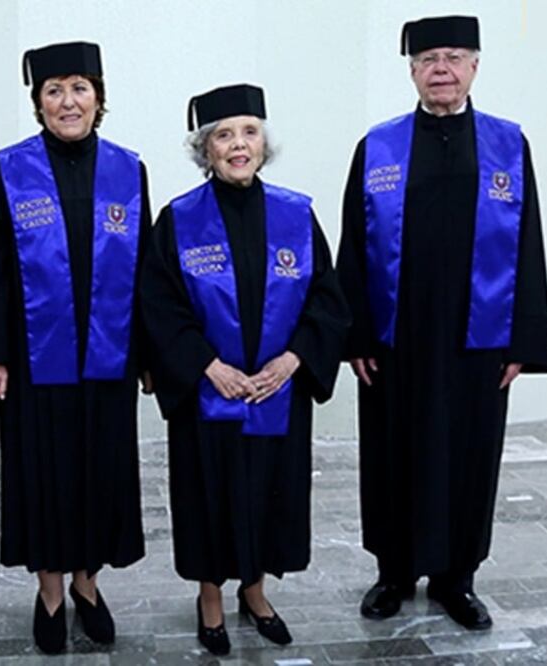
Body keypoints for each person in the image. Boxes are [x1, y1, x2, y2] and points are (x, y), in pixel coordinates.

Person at [336, 15, 547, 630]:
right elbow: (354, 246)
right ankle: (394, 572)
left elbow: (528, 244)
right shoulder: (378, 148)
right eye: (429, 59)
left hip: (476, 337)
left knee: (469, 454)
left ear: (474, 67)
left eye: (454, 57)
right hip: (396, 338)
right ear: (412, 71)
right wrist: (355, 335)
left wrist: (521, 339)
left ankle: (458, 579)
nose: (442, 69)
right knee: (394, 451)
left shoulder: (508, 145)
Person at [0, 41, 151, 654]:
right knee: (44, 476)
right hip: (33, 359)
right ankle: (51, 593)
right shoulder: (11, 168)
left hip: (108, 360)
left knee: (99, 473)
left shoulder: (128, 169)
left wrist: (147, 356)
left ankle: (88, 586)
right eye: (54, 90)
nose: (68, 101)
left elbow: (146, 269)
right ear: (38, 102)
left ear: (98, 97)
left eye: (80, 88)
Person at [141, 84, 350, 655]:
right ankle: (210, 596)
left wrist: (293, 359)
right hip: (208, 394)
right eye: (224, 136)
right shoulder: (178, 220)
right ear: (205, 149)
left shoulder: (296, 215)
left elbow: (328, 300)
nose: (238, 145)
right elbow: (159, 307)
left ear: (264, 143)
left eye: (249, 132)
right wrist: (208, 366)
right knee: (208, 494)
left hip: (276, 390)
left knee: (268, 494)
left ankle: (255, 592)